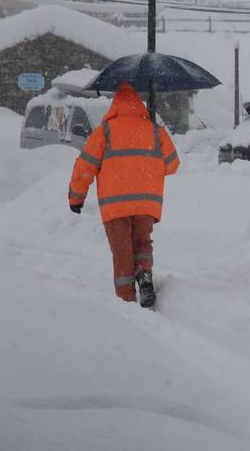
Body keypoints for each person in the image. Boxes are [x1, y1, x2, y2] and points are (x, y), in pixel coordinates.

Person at [68, 83, 180, 307]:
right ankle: (145, 275)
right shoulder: (155, 130)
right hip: (146, 202)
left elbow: (85, 167)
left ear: (115, 106)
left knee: (122, 252)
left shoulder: (105, 131)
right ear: (139, 105)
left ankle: (126, 303)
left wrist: (76, 198)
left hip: (115, 205)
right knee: (142, 243)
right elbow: (172, 165)